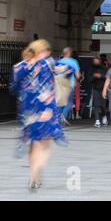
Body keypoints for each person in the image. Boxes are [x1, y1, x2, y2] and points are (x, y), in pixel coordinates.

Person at [10, 39, 66, 190]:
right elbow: (67, 70)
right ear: (44, 51)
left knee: (34, 144)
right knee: (46, 145)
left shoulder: (19, 66)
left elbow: (13, 89)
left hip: (27, 111)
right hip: (46, 109)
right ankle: (35, 173)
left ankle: (34, 177)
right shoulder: (49, 63)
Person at [57, 47, 81, 120]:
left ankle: (58, 118)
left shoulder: (59, 62)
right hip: (69, 85)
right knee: (69, 103)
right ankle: (63, 117)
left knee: (60, 103)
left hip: (59, 85)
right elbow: (78, 75)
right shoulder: (73, 61)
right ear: (69, 53)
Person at [90, 57, 108, 127]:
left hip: (104, 88)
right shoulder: (92, 69)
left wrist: (100, 76)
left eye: (97, 61)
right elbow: (88, 79)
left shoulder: (104, 68)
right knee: (96, 105)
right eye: (94, 61)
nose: (96, 63)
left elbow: (108, 78)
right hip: (95, 89)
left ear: (100, 61)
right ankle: (97, 120)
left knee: (103, 105)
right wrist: (94, 76)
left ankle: (104, 116)